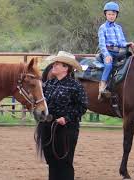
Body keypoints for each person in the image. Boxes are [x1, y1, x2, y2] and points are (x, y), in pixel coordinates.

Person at [37, 51, 88, 180]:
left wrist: (66, 118)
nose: (53, 66)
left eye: (57, 64)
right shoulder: (48, 84)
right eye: (54, 63)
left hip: (66, 128)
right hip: (48, 126)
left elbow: (82, 106)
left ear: (66, 68)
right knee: (51, 162)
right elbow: (41, 104)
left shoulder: (75, 86)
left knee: (65, 162)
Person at [97, 1, 134, 99]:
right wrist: (106, 55)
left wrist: (128, 44)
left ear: (116, 15)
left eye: (113, 14)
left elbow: (121, 42)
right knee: (108, 65)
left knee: (131, 62)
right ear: (105, 15)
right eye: (109, 14)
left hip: (118, 52)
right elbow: (102, 44)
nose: (111, 16)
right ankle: (102, 86)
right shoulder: (102, 28)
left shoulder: (118, 28)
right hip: (108, 51)